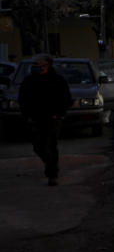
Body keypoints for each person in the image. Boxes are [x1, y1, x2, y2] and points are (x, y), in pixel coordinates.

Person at [19, 54, 73, 186]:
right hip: (35, 118)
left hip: (52, 119)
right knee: (38, 146)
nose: (34, 67)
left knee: (51, 145)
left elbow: (66, 99)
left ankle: (53, 174)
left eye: (37, 65)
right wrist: (26, 116)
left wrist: (59, 114)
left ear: (46, 66)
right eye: (34, 65)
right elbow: (23, 100)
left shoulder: (58, 80)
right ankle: (49, 164)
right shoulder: (29, 81)